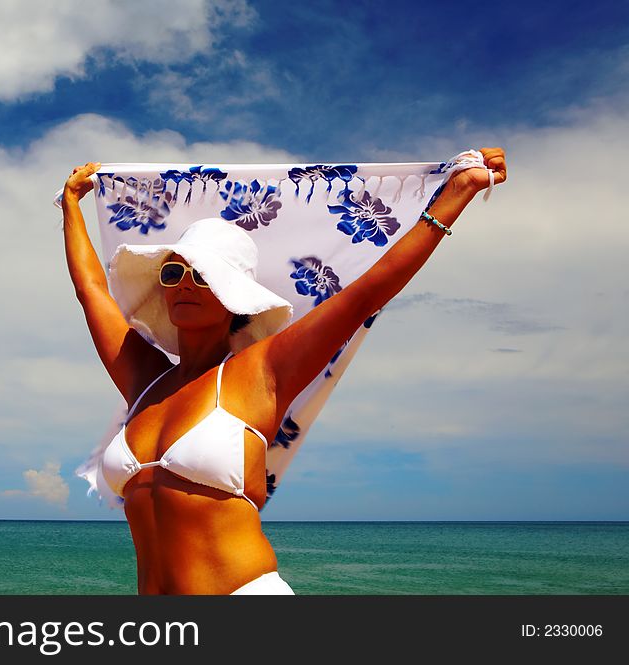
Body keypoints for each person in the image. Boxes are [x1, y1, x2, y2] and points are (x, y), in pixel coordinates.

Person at [61, 149, 507, 594]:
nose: (184, 284)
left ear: (232, 294)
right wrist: (71, 205)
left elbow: (366, 293)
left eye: (202, 275)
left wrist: (458, 194)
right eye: (175, 271)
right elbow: (91, 291)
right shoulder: (145, 381)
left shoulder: (262, 371)